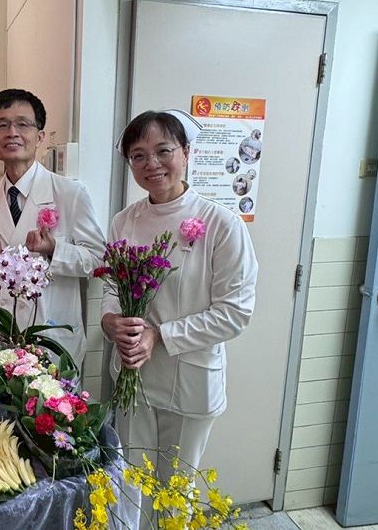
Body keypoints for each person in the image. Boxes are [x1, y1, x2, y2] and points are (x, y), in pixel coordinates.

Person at [101, 110, 258, 517]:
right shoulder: (124, 221)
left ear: (186, 153)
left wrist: (160, 335)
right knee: (130, 487)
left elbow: (235, 313)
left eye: (163, 151)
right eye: (138, 156)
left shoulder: (221, 224)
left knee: (174, 494)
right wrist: (110, 321)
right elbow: (110, 289)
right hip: (133, 376)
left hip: (190, 378)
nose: (151, 164)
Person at [0, 89, 106, 364]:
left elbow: (98, 259)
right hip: (0, 338)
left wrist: (55, 249)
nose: (12, 133)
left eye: (23, 124)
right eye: (2, 125)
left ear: (40, 136)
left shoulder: (70, 193)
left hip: (50, 335)